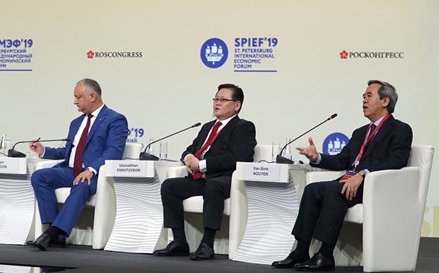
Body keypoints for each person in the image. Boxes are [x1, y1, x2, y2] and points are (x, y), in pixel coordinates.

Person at [272, 80, 412, 271]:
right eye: (363, 96)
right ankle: (301, 250)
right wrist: (317, 157)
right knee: (313, 190)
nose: (363, 100)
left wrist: (363, 174)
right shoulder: (360, 132)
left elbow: (397, 160)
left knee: (333, 191)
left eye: (368, 96)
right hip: (348, 182)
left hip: (375, 186)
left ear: (385, 101)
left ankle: (325, 254)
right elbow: (342, 161)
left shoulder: (400, 129)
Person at [153, 83, 257, 261]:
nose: (217, 103)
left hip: (225, 178)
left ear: (237, 105)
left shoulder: (243, 127)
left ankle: (207, 244)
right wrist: (188, 159)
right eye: (216, 99)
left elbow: (236, 158)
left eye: (223, 100)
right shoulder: (207, 127)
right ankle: (179, 242)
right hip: (201, 179)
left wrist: (200, 164)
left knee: (214, 186)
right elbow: (189, 150)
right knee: (170, 186)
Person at [27, 78, 128, 250]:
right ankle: (55, 232)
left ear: (92, 96)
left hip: (94, 174)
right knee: (39, 176)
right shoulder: (76, 123)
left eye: (78, 97)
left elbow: (113, 151)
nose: (75, 101)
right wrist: (44, 151)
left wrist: (91, 169)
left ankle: (51, 233)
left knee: (81, 185)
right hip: (69, 170)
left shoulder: (115, 120)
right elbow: (68, 152)